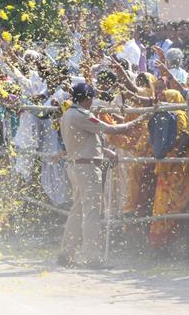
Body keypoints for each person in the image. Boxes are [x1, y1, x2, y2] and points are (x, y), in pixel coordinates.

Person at [57, 82, 148, 268]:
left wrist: (107, 152)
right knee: (92, 213)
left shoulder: (67, 114)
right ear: (87, 98)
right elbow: (111, 129)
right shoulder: (81, 115)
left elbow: (89, 139)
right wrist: (139, 120)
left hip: (77, 165)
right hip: (88, 168)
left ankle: (67, 253)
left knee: (78, 210)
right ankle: (93, 257)